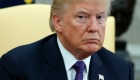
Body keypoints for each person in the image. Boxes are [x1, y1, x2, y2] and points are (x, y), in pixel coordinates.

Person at [0, 0, 134, 80]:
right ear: (58, 22)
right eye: (82, 17)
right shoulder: (17, 67)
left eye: (100, 18)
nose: (94, 28)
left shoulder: (121, 71)